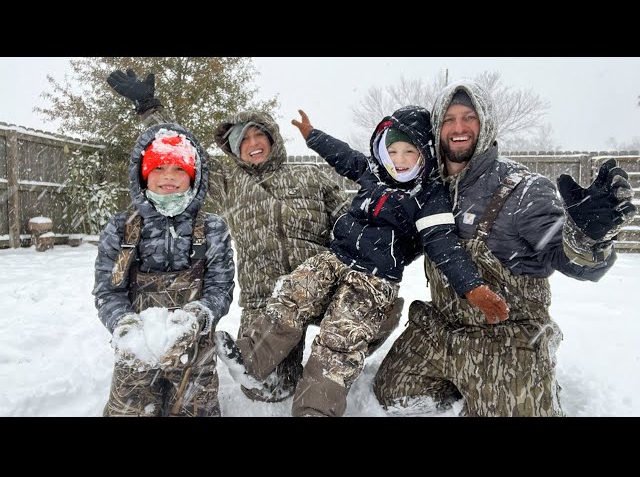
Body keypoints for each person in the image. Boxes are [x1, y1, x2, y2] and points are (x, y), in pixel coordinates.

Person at [214, 106, 509, 417]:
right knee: (292, 294)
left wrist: (473, 288)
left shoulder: (428, 196)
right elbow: (344, 156)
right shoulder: (375, 175)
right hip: (334, 258)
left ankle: (315, 408)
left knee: (340, 342)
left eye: (409, 151)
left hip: (373, 278)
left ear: (425, 154)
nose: (399, 159)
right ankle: (251, 359)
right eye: (391, 150)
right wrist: (313, 136)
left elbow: (443, 245)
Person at [373, 80, 637, 417]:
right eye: (448, 119)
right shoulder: (429, 188)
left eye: (469, 117)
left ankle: (531, 380)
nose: (458, 128)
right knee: (392, 395)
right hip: (443, 328)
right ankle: (465, 380)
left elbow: (572, 260)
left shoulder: (523, 189)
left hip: (507, 336)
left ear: (485, 124)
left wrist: (587, 237)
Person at [107, 69, 351, 403]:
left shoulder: (311, 176)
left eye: (257, 135)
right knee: (267, 389)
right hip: (265, 302)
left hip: (320, 289)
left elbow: (351, 225)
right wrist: (150, 107)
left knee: (363, 316)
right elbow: (184, 150)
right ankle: (293, 359)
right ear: (233, 149)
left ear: (272, 137)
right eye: (242, 139)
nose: (252, 144)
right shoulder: (229, 182)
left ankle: (335, 352)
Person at [94, 122, 235, 417]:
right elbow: (109, 290)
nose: (168, 177)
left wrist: (200, 315)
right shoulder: (121, 229)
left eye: (179, 169)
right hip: (137, 349)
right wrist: (124, 325)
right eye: (158, 168)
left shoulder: (212, 228)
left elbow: (220, 288)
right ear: (143, 175)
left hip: (194, 348)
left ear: (193, 177)